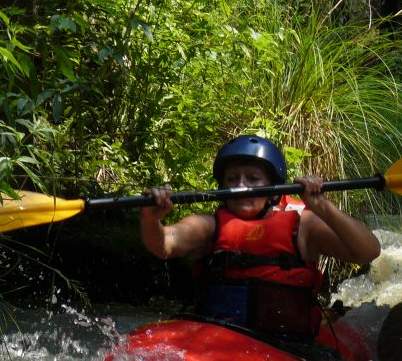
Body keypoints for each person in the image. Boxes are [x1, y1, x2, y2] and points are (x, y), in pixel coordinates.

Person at [141, 135, 381, 339]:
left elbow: (368, 251)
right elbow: (164, 244)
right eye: (232, 179)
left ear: (273, 188)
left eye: (253, 179)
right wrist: (151, 218)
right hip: (217, 340)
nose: (241, 186)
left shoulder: (303, 226)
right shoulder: (208, 226)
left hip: (288, 349)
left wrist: (322, 207)